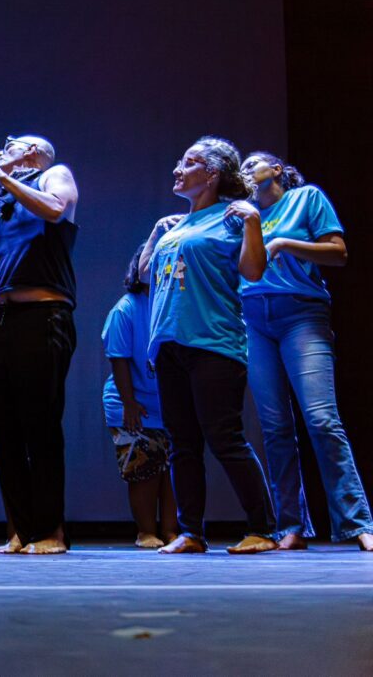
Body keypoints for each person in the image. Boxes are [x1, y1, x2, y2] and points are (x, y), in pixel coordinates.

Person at [143, 136, 277, 555]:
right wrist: (154, 234)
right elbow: (145, 273)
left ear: (212, 174)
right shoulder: (174, 226)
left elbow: (253, 271)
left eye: (188, 163)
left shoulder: (233, 217)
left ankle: (263, 528)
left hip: (214, 342)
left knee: (224, 437)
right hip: (169, 344)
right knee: (182, 443)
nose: (177, 170)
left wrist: (253, 222)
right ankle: (191, 532)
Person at [239, 151, 373, 552]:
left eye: (253, 164)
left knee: (320, 418)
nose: (245, 171)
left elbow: (338, 252)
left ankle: (357, 523)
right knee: (275, 428)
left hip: (301, 313)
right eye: (240, 168)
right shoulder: (244, 214)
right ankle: (291, 527)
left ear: (276, 170)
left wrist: (282, 242)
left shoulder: (305, 198)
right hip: (254, 318)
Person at [0, 133, 79, 555]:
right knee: (2, 429)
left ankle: (51, 532)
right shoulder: (0, 198)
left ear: (32, 153)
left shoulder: (53, 175)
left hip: (43, 316)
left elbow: (56, 210)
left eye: (13, 143)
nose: (3, 146)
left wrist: (1, 178)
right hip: (3, 319)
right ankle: (24, 531)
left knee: (40, 427)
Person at [102, 245, 177, 548]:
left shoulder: (171, 303)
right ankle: (146, 531)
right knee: (144, 469)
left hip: (167, 404)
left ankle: (173, 531)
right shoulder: (127, 308)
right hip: (130, 401)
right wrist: (130, 403)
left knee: (172, 471)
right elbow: (118, 358)